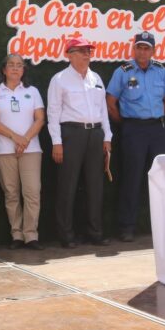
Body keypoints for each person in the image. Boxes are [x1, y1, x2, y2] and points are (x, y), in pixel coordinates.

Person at [106, 32, 165, 242]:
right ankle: (127, 226)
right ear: (134, 49)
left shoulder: (161, 71)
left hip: (157, 130)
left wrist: (155, 117)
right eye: (139, 48)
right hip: (133, 130)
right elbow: (110, 102)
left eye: (147, 48)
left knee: (162, 179)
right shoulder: (123, 71)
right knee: (132, 179)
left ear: (153, 51)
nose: (142, 52)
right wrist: (126, 122)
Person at [48, 37, 112, 248]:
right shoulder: (59, 79)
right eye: (82, 51)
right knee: (68, 185)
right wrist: (57, 142)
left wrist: (107, 137)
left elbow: (103, 110)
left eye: (89, 51)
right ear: (69, 54)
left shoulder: (96, 78)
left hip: (95, 134)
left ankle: (95, 233)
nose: (87, 54)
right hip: (71, 134)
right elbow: (53, 112)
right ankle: (66, 235)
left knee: (95, 185)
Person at [0, 54, 45, 250]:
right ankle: (17, 235)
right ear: (4, 69)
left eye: (19, 65)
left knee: (32, 192)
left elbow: (40, 119)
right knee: (11, 193)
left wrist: (25, 139)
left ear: (24, 70)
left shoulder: (33, 91)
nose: (15, 68)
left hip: (31, 149)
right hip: (4, 150)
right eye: (11, 65)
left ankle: (31, 235)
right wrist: (15, 137)